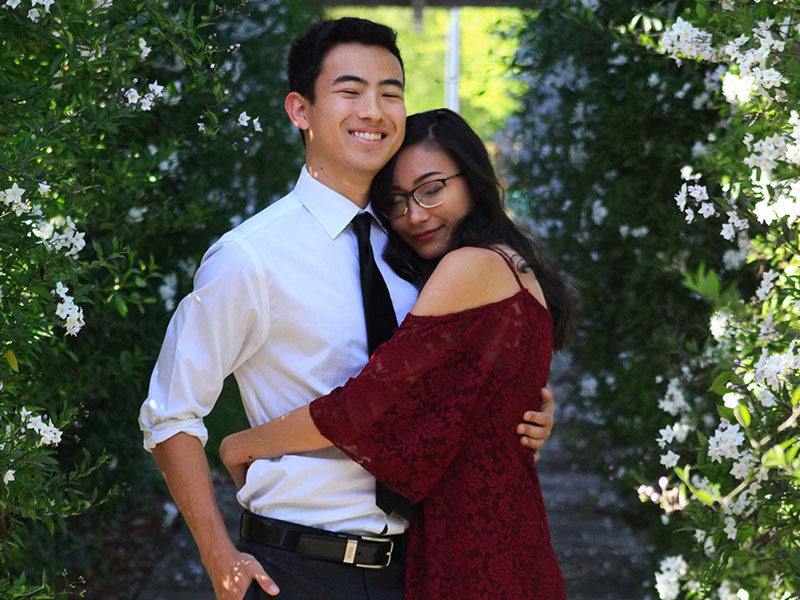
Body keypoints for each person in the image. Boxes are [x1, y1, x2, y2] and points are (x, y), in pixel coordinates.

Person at [139, 18, 556, 600]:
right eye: (350, 91)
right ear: (301, 110)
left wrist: (524, 407)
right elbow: (170, 416)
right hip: (299, 566)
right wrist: (218, 555)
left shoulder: (420, 247)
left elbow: (445, 389)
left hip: (423, 567)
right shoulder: (251, 256)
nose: (375, 110)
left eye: (391, 92)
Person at [219, 108, 573, 600]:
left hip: (475, 548)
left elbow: (365, 408)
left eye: (431, 189)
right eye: (397, 202)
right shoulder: (514, 266)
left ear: (473, 179)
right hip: (505, 535)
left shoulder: (469, 267)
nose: (415, 215)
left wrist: (242, 445)